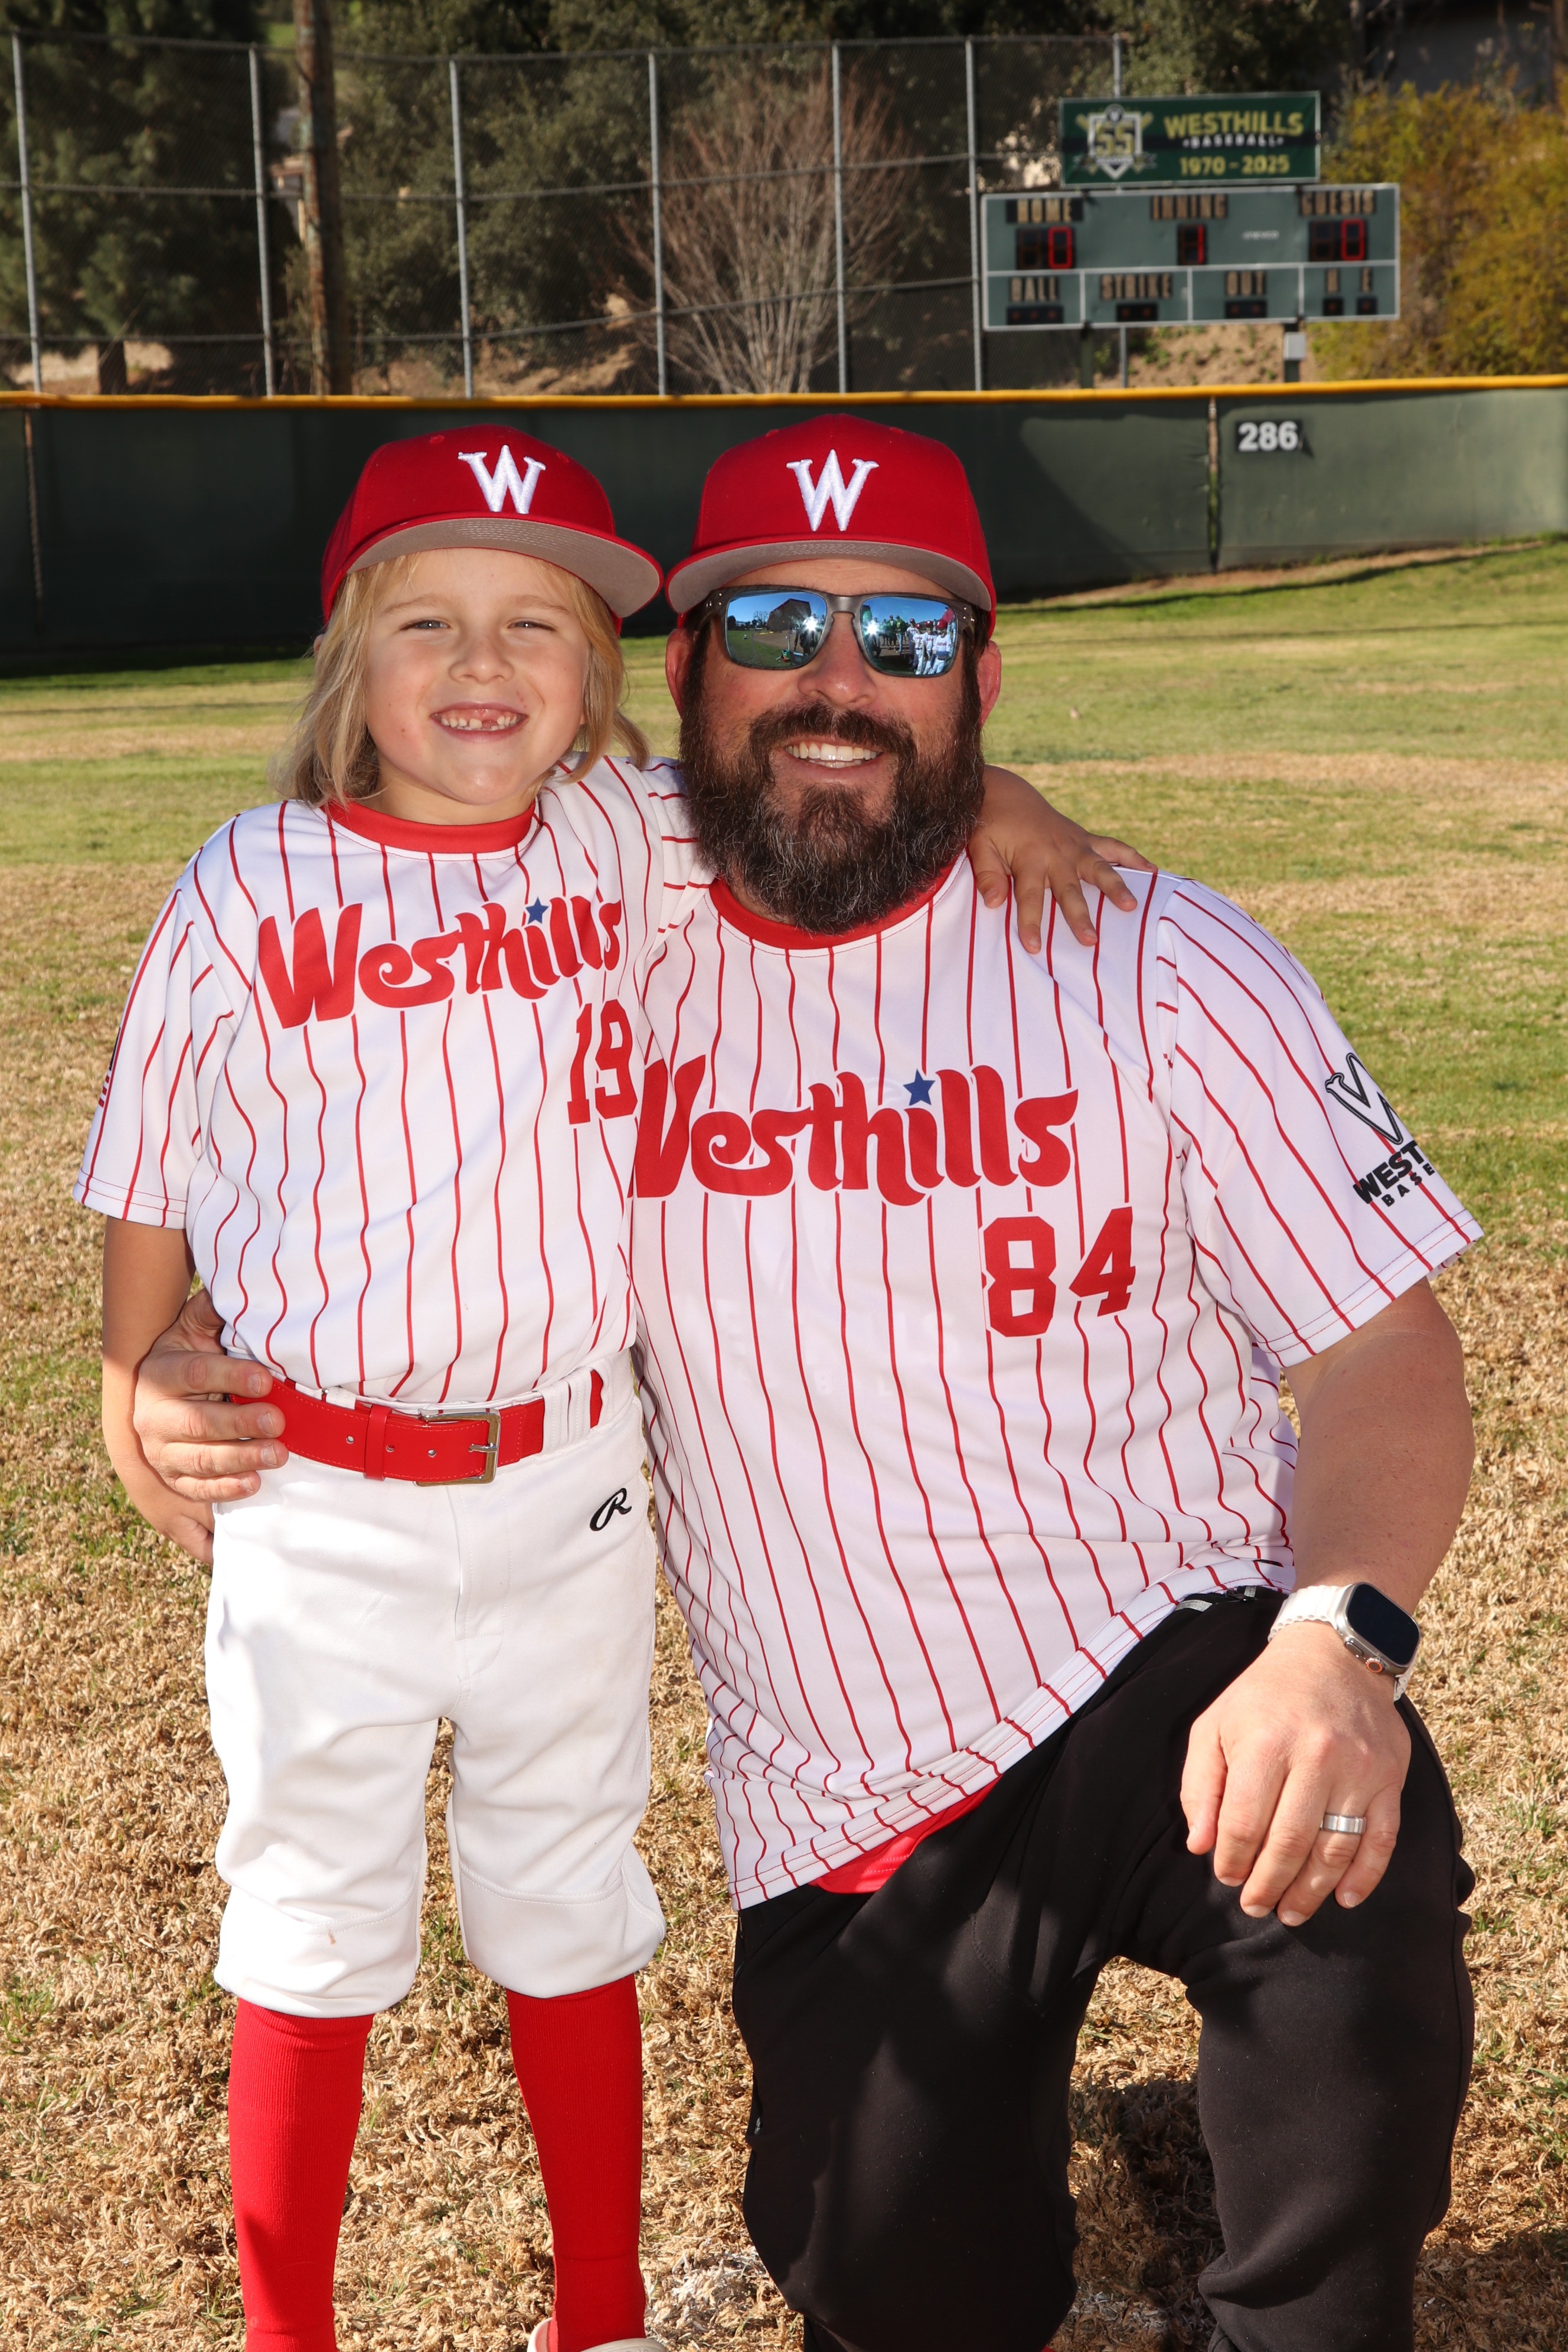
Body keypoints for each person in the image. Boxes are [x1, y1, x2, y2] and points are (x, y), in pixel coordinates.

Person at [130, 414, 1479, 2352]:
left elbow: (1379, 1344)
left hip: (1167, 1655)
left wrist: (1337, 1641)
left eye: (905, 638)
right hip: (849, 1787)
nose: (838, 682)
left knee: (1339, 1877)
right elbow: (350, 1118)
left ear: (984, 677)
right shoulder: (601, 928)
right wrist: (175, 1354)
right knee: (896, 2282)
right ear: (684, 670)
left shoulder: (1157, 958)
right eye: (778, 626)